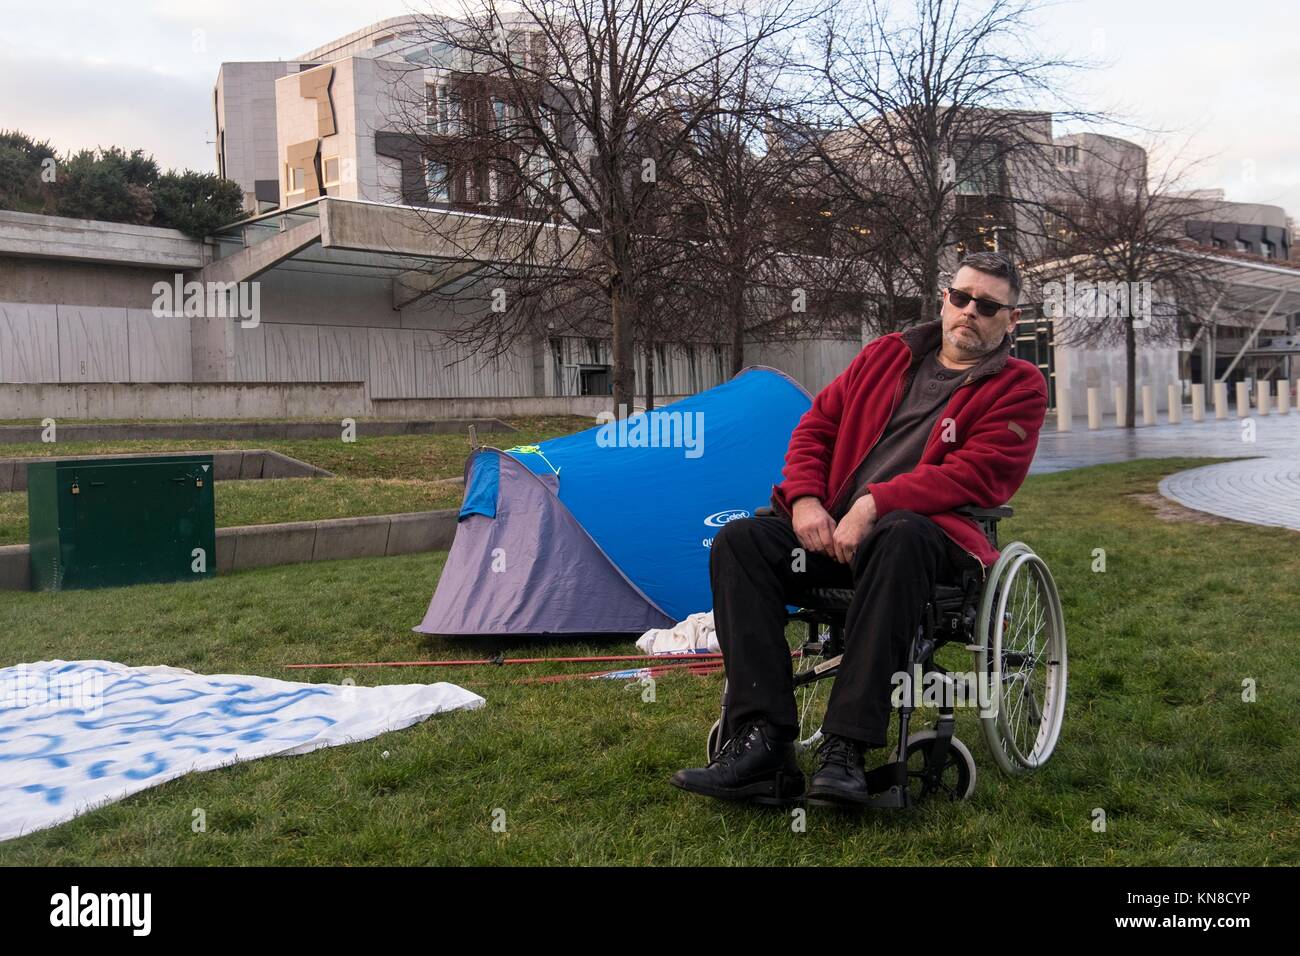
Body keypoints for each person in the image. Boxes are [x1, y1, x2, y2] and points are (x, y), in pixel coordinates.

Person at [671, 251, 1048, 808]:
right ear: (945, 299)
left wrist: (874, 503)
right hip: (831, 534)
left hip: (926, 543)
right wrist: (802, 501)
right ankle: (763, 743)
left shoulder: (1020, 386)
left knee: (900, 534)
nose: (970, 311)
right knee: (740, 542)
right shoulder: (885, 356)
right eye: (961, 297)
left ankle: (845, 746)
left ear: (1011, 320)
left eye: (988, 305)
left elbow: (980, 473)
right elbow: (815, 431)